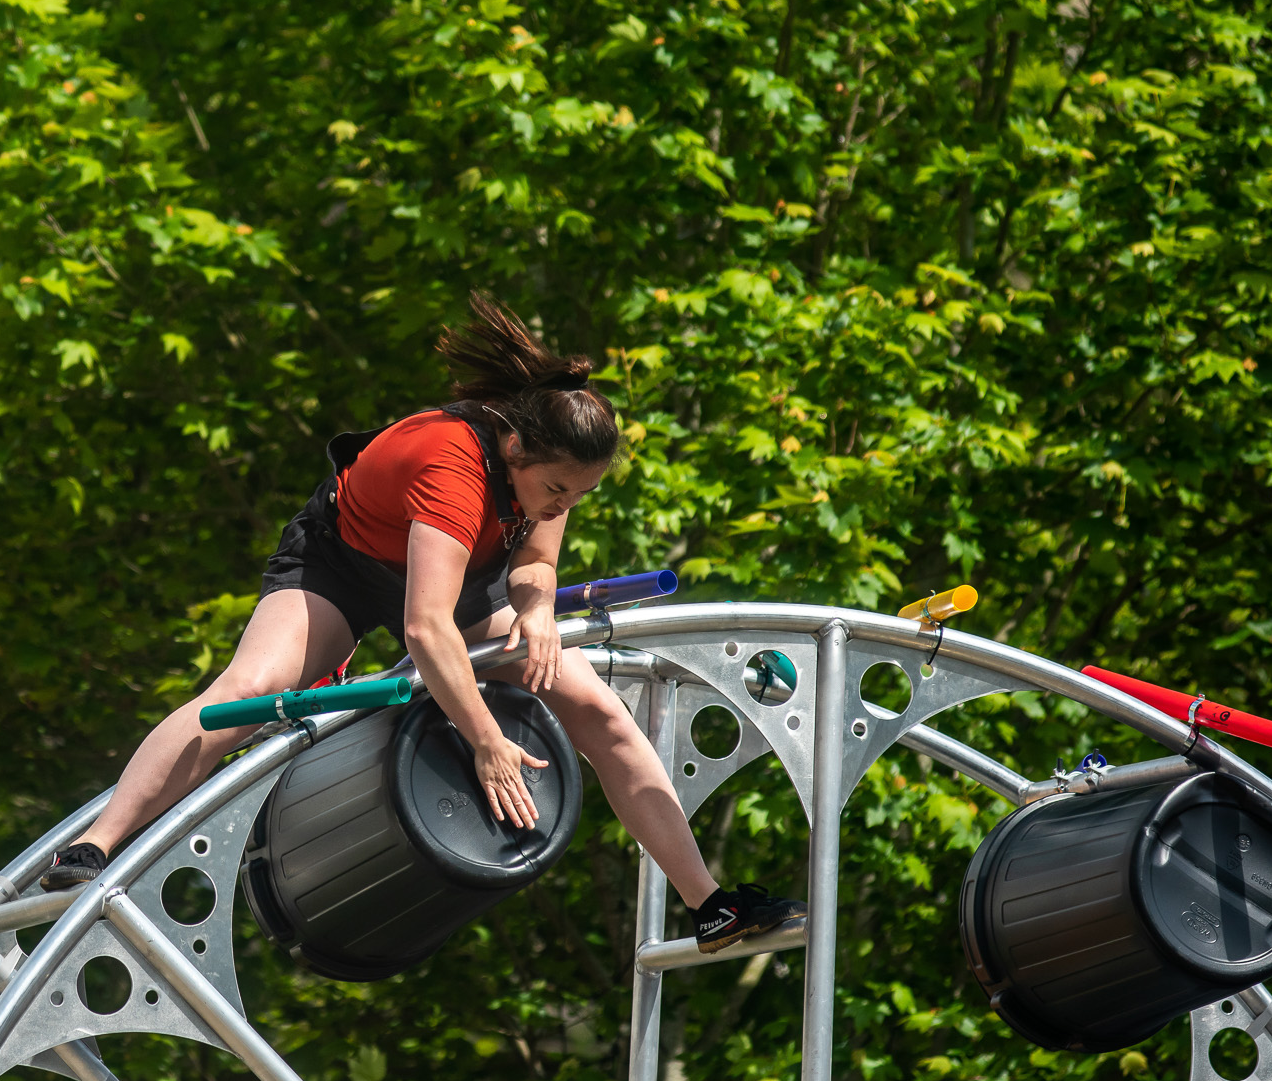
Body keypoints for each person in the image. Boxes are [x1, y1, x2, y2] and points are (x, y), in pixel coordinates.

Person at [43, 293, 802, 955]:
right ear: (514, 446)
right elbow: (426, 631)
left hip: (464, 581)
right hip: (341, 566)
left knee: (598, 708)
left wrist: (538, 611)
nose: (562, 505)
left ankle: (708, 903)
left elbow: (533, 566)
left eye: (578, 496)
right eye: (556, 488)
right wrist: (487, 742)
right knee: (251, 687)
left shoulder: (542, 472)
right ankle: (95, 842)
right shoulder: (453, 466)